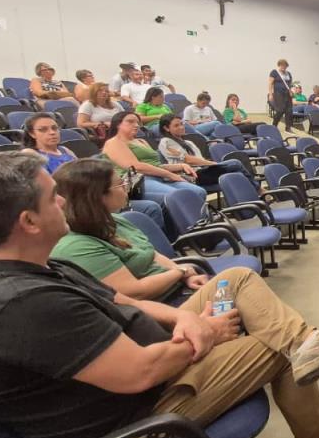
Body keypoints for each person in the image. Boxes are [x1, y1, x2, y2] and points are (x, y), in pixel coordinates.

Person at [0, 152, 319, 438]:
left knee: (236, 278)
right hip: (134, 421)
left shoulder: (27, 266)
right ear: (29, 221)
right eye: (54, 198)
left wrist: (183, 316)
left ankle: (308, 345)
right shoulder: (21, 303)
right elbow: (139, 372)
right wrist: (209, 333)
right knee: (275, 345)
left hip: (155, 368)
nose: (64, 203)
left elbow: (119, 298)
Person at [52, 159, 208, 302]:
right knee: (232, 283)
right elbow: (135, 292)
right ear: (97, 196)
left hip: (176, 289)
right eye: (120, 184)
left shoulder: (114, 220)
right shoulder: (77, 245)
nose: (126, 187)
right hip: (160, 308)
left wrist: (183, 275)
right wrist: (180, 272)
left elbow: (151, 254)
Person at [19, 112, 166, 248]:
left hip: (90, 197)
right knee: (149, 207)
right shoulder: (30, 153)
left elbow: (85, 176)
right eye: (43, 130)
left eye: (54, 128)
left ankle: (155, 249)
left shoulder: (65, 150)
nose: (51, 132)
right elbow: (46, 186)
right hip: (70, 204)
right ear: (32, 133)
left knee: (152, 205)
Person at [102, 111, 207, 204]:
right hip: (139, 181)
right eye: (130, 121)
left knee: (199, 192)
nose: (136, 125)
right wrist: (170, 175)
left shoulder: (142, 141)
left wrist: (180, 165)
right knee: (180, 196)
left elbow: (156, 166)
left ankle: (202, 223)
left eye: (137, 122)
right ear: (117, 124)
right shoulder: (113, 142)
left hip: (159, 176)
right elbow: (136, 167)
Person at [156, 114, 245, 186]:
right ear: (166, 128)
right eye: (176, 125)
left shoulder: (188, 142)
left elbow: (200, 160)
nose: (181, 127)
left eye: (181, 124)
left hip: (202, 171)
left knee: (237, 172)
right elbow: (188, 160)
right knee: (235, 163)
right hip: (191, 176)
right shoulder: (166, 142)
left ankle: (247, 196)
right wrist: (214, 164)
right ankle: (256, 191)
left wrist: (212, 165)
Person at [268, 59, 294, 131]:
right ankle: (274, 124)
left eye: (285, 65)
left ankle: (288, 127)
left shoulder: (288, 74)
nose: (283, 67)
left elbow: (290, 84)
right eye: (282, 65)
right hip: (278, 94)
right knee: (280, 110)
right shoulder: (274, 72)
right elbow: (270, 83)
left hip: (287, 95)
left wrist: (291, 91)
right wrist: (270, 94)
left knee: (289, 110)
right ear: (279, 65)